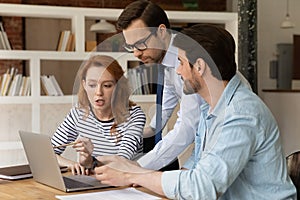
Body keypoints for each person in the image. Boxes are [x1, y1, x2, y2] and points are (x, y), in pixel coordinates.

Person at [93, 24, 297, 199]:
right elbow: (195, 168)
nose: (178, 71)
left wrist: (132, 176)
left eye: (181, 63)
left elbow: (203, 187)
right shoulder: (211, 108)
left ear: (199, 66)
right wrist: (133, 169)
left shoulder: (242, 113)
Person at [116, 0, 202, 170]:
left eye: (140, 44)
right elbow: (166, 103)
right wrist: (144, 132)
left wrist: (136, 167)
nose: (136, 53)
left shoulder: (187, 58)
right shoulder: (166, 60)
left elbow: (187, 126)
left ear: (161, 32)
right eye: (131, 46)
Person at [51, 55, 146, 175]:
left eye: (107, 86)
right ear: (84, 85)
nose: (98, 92)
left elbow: (122, 161)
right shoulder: (78, 113)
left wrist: (91, 162)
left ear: (118, 87)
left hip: (125, 183)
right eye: (92, 85)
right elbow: (47, 152)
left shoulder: (134, 116)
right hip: (92, 183)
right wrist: (72, 164)